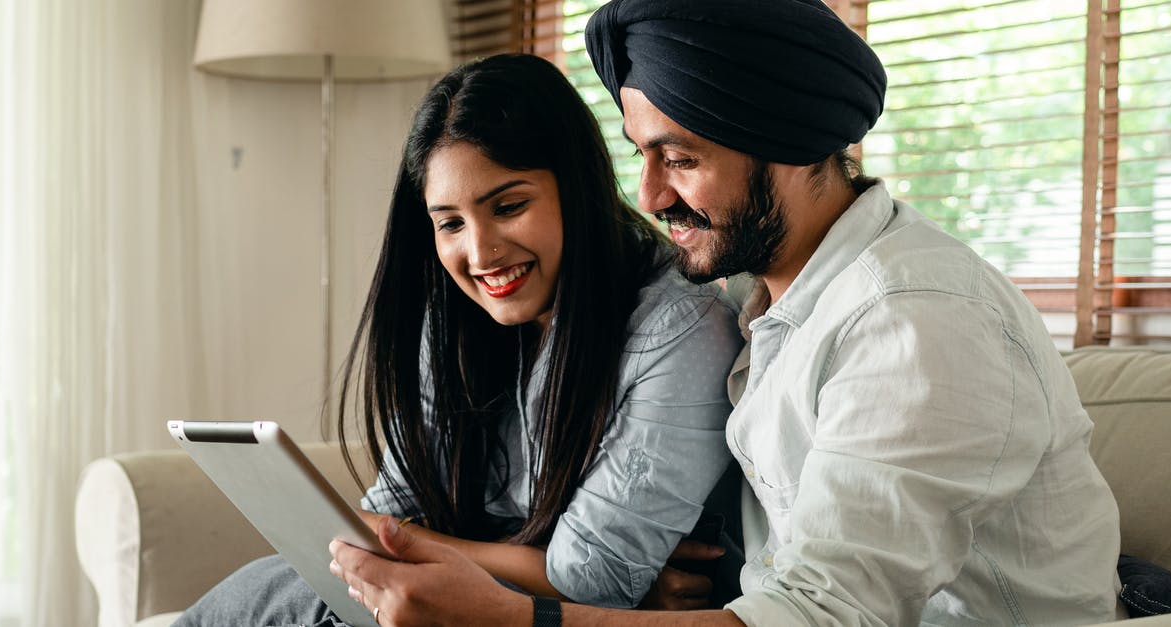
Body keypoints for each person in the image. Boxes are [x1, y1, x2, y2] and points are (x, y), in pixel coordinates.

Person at [327, 1, 1124, 625]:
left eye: (680, 159)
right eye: (643, 155)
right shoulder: (763, 304)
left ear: (793, 143)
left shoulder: (909, 321)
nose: (649, 197)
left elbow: (820, 615)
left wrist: (527, 618)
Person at [174, 53, 746, 627]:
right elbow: (394, 508)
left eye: (509, 206)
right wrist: (409, 540)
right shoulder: (457, 318)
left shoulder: (680, 330)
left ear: (578, 187)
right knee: (280, 592)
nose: (480, 254)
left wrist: (398, 541)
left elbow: (593, 577)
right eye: (450, 223)